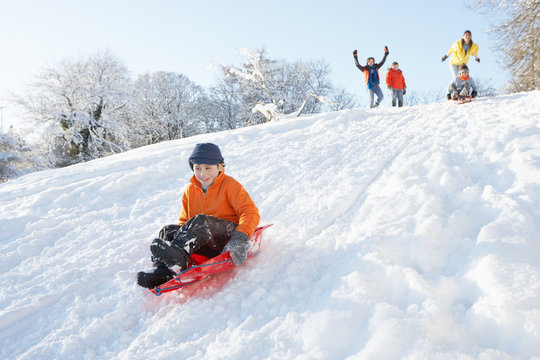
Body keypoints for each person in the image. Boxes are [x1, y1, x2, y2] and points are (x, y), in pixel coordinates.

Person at [136, 143, 261, 289]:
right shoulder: (190, 191)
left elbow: (250, 211)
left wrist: (240, 236)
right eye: (197, 168)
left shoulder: (230, 185)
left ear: (220, 167)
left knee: (201, 220)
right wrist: (178, 235)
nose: (202, 174)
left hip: (227, 237)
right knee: (168, 230)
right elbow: (185, 221)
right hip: (203, 241)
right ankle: (163, 270)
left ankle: (178, 256)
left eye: (208, 168)